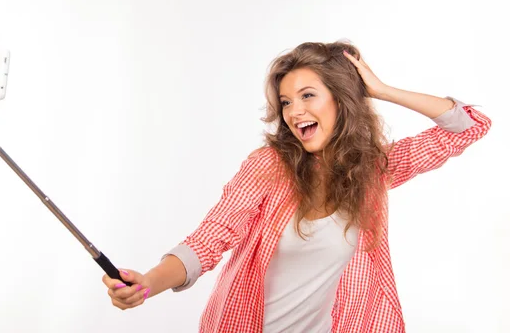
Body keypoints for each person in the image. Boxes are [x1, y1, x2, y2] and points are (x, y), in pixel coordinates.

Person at [101, 41, 491, 333]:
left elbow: (470, 125)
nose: (294, 112)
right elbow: (210, 238)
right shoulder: (268, 166)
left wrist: (381, 90)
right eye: (286, 102)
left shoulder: (373, 170)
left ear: (342, 101)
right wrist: (149, 283)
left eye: (308, 96)